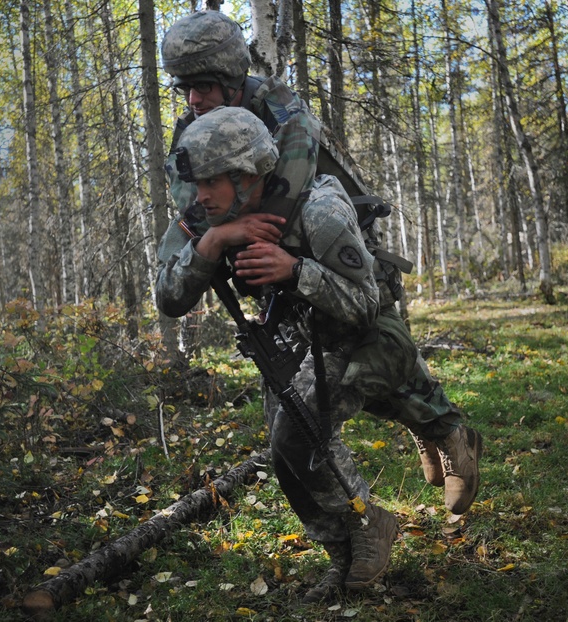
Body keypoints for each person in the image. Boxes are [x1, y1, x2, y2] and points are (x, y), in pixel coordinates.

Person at [159, 9, 483, 520]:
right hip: (276, 276)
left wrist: (241, 240)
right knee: (318, 388)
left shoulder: (283, 113)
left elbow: (277, 211)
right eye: (184, 90)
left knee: (370, 353)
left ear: (231, 77)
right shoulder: (194, 130)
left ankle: (443, 432)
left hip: (331, 247)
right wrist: (216, 237)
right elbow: (192, 212)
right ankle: (423, 443)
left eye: (202, 86)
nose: (192, 101)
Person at [156, 106, 400, 602]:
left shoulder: (320, 210)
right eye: (197, 184)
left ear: (247, 176)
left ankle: (371, 521)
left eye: (210, 183)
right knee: (285, 455)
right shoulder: (213, 219)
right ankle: (343, 558)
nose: (199, 196)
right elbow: (169, 299)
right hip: (296, 342)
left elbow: (366, 306)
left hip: (365, 339)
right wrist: (217, 239)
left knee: (299, 432)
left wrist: (294, 270)